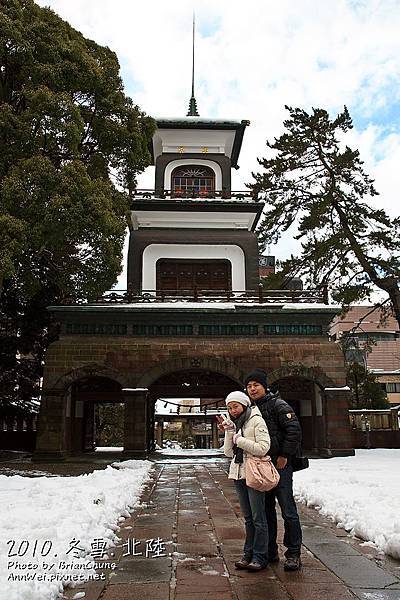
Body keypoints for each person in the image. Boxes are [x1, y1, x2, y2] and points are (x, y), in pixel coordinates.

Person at [244, 368, 303, 571]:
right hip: (261, 465)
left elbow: (294, 430)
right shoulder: (249, 409)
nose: (252, 389)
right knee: (266, 509)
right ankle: (270, 550)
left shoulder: (278, 404)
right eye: (249, 386)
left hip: (280, 464)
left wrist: (284, 456)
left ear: (264, 386)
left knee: (288, 510)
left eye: (256, 385)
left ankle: (293, 553)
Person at [218, 390, 271, 571]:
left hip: (254, 474)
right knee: (248, 518)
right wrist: (229, 432)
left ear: (245, 405)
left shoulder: (256, 420)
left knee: (258, 518)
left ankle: (260, 556)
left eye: (235, 406)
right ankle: (247, 554)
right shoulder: (235, 424)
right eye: (230, 407)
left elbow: (264, 448)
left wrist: (240, 440)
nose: (233, 410)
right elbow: (228, 453)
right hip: (239, 474)